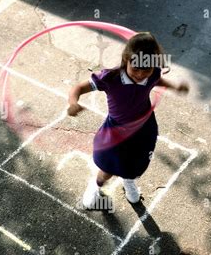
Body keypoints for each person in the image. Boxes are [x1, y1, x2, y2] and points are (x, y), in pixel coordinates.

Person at [68, 32, 189, 209]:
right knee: (108, 167)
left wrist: (176, 86)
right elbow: (79, 87)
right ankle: (96, 185)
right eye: (135, 69)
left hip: (144, 129)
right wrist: (73, 103)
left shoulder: (152, 73)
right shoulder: (110, 78)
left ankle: (129, 180)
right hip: (116, 131)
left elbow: (157, 79)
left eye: (145, 70)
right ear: (126, 60)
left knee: (135, 163)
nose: (140, 74)